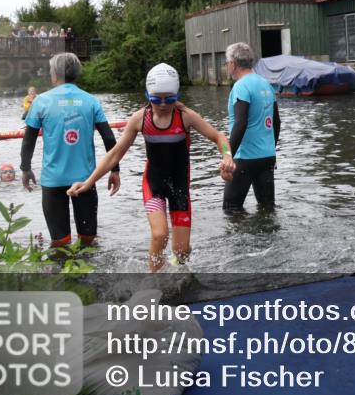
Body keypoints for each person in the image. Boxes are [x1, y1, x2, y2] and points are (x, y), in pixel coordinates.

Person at [68, 64, 235, 271]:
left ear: (177, 95)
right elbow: (115, 154)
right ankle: (155, 283)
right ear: (148, 95)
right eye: (156, 99)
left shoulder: (185, 116)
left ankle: (177, 268)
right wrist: (88, 181)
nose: (163, 104)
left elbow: (218, 137)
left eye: (170, 99)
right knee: (159, 234)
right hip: (153, 184)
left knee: (181, 251)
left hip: (179, 186)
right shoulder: (140, 119)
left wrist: (227, 156)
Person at [20, 53, 120, 248]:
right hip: (85, 180)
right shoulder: (91, 101)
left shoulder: (41, 101)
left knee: (60, 242)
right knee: (89, 240)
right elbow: (109, 138)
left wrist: (25, 168)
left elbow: (28, 140)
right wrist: (115, 170)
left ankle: (63, 277)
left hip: (53, 181)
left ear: (55, 74)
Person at [222, 42, 280, 212]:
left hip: (245, 158)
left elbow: (241, 122)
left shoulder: (241, 86)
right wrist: (272, 150)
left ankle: (242, 239)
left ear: (233, 64)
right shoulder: (266, 84)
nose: (227, 67)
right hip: (267, 157)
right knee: (267, 209)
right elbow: (277, 122)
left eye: (227, 63)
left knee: (231, 208)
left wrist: (228, 155)